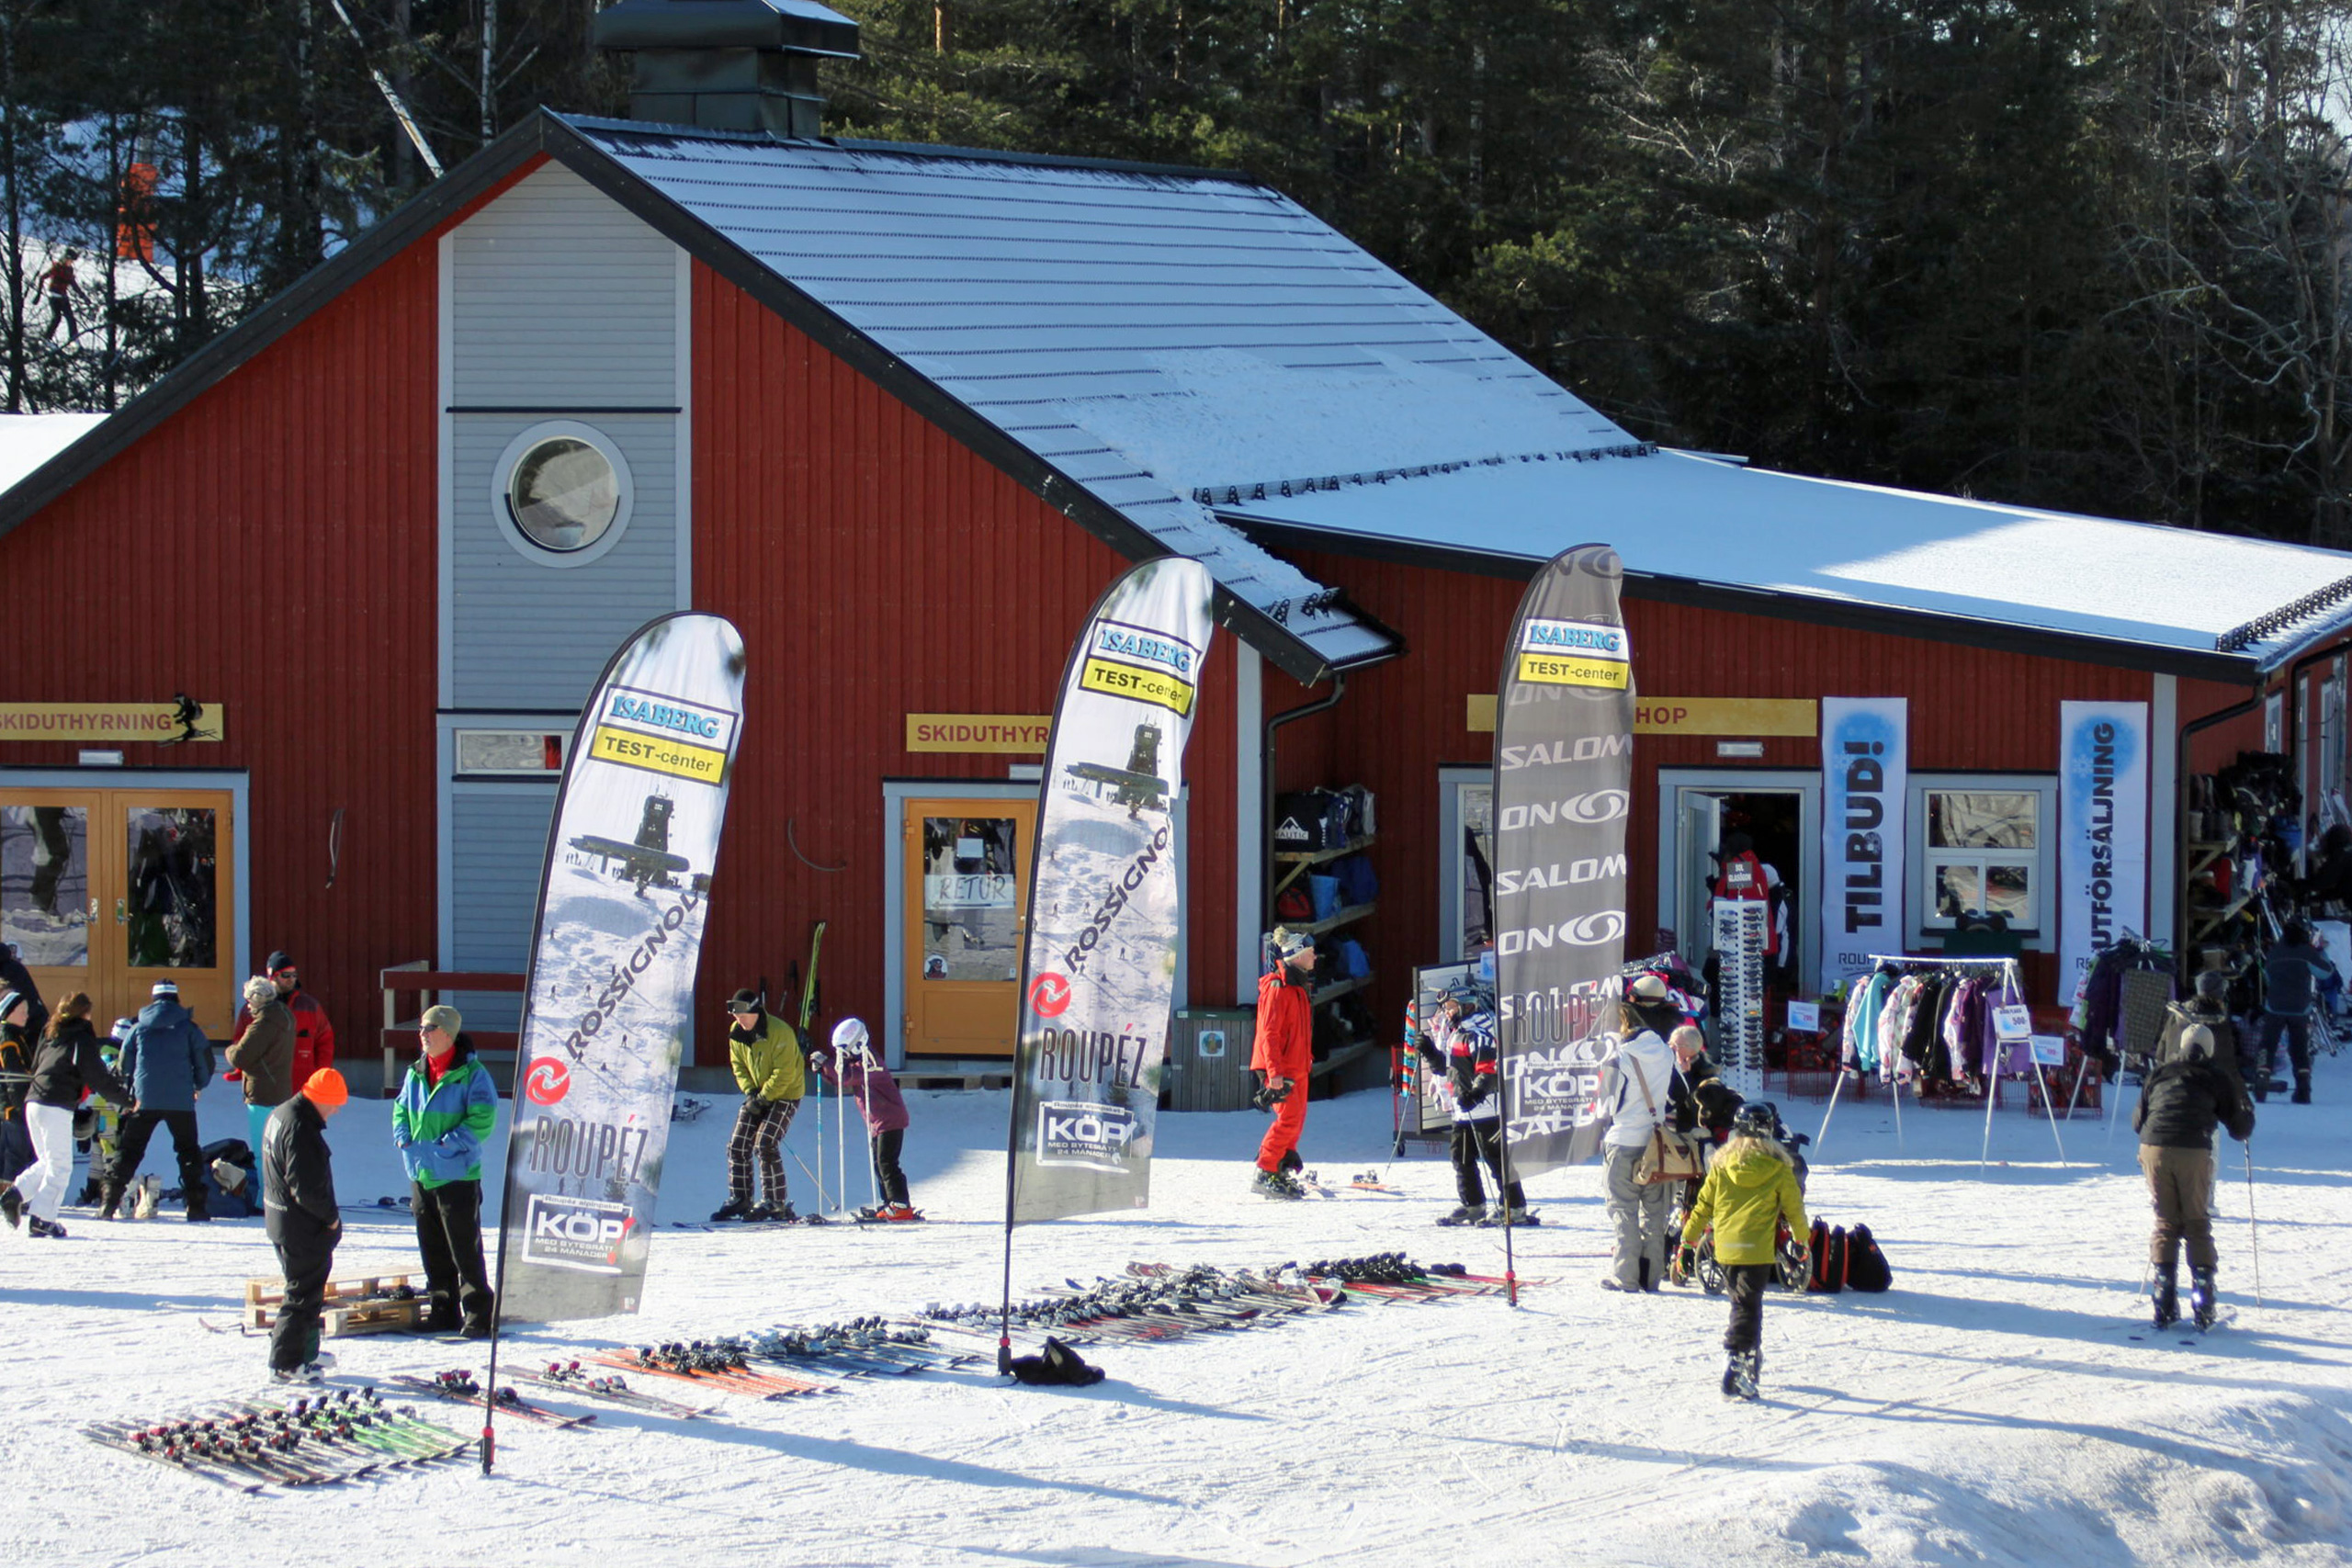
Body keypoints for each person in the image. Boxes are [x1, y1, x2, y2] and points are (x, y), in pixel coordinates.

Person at [1674, 1101, 1809, 1400]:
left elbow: (1702, 1208)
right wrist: (1801, 1241)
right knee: (1747, 1307)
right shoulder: (1779, 1168)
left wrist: (1687, 1242)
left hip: (1726, 1249)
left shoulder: (1721, 1165)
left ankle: (1750, 1359)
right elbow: (1794, 1210)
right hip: (1757, 1250)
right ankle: (1736, 1359)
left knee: (1742, 1303)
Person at [2134, 1022, 2256, 1330]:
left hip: (2154, 1147)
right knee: (2196, 1222)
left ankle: (2163, 1296)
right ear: (2210, 1049)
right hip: (2193, 1149)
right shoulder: (2216, 1076)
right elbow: (2238, 1128)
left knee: (2166, 1222)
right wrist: (2247, 1114)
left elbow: (2138, 1122)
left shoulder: (2160, 1072)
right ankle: (2203, 1298)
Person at [393, 1005, 500, 1335]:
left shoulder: (473, 1074)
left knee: (464, 1249)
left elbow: (483, 1119)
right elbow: (400, 1109)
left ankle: (478, 1314)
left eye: (430, 1028)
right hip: (421, 1173)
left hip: (457, 1175)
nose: (422, 1034)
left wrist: (447, 1145)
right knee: (432, 1248)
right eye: (421, 1028)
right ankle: (443, 1311)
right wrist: (402, 1136)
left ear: (448, 1034)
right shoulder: (415, 1071)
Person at [17, 992, 132, 1237]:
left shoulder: (51, 1033)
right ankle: (42, 1219)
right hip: (55, 1105)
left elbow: (36, 1066)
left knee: (47, 1161)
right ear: (85, 1013)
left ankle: (15, 1194)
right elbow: (99, 1078)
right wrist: (127, 1100)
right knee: (60, 1167)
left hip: (34, 1101)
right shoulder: (81, 1037)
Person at [1418, 978, 1526, 1225]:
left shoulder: (1480, 1033)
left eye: (1451, 1007)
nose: (1446, 1012)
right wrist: (1430, 1052)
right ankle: (1473, 1204)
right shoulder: (1458, 1032)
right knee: (1461, 1157)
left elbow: (1488, 1070)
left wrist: (1476, 1094)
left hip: (1486, 1107)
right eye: (1446, 1008)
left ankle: (1514, 1206)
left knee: (1496, 1158)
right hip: (1462, 1108)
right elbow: (1448, 1068)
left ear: (1467, 1005)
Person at [264, 1068, 347, 1382]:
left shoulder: (282, 1113)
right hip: (301, 1226)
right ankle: (286, 1364)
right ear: (322, 1099)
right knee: (302, 1295)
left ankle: (304, 1351)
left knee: (305, 1291)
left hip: (281, 1219)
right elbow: (307, 1189)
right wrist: (331, 1219)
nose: (335, 1111)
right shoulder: (301, 1129)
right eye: (334, 1104)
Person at [106, 978, 214, 1222]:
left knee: (130, 1150)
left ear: (153, 999)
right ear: (176, 998)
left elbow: (124, 1064)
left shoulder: (138, 1028)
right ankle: (196, 1207)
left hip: (144, 1099)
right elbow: (205, 1061)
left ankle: (109, 1203)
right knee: (188, 1151)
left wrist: (130, 1090)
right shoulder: (189, 1028)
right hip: (181, 1100)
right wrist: (197, 1085)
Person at [1598, 998, 1679, 1292]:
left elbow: (1611, 1102)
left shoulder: (1621, 1056)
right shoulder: (1665, 1052)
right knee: (1655, 1213)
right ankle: (1651, 1276)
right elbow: (1677, 1092)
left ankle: (1626, 1276)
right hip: (1656, 1142)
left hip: (1623, 1139)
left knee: (1623, 1210)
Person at [716, 987, 806, 1222]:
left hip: (786, 1094)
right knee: (737, 1144)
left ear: (756, 1012)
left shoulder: (780, 1032)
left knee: (765, 1142)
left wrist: (764, 1098)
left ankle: (775, 1202)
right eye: (736, 1016)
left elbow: (784, 1073)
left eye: (743, 1016)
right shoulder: (736, 1032)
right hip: (757, 1094)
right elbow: (738, 1065)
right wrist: (751, 1092)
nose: (739, 1020)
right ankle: (740, 1198)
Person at [812, 1019, 916, 1220]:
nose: (845, 1056)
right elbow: (841, 1078)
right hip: (878, 1122)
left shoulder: (871, 1061)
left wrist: (826, 1064)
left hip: (890, 1119)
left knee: (887, 1163)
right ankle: (889, 1203)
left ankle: (901, 1204)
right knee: (879, 1164)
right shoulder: (858, 1061)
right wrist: (824, 1071)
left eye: (846, 1051)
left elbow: (848, 1077)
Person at [1250, 927, 1317, 1200]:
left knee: (1296, 1119)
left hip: (1297, 1065)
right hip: (1282, 1068)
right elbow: (1269, 1034)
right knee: (1287, 1120)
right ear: (1297, 955)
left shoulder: (1297, 986)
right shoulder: (1278, 988)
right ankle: (1265, 1171)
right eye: (1311, 952)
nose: (1315, 957)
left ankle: (1279, 1165)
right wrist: (1274, 1072)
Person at [2254, 920, 2335, 1103]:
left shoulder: (2274, 952)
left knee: (2268, 1043)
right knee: (2299, 1046)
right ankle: (2303, 1087)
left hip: (2275, 1004)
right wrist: (2320, 952)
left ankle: (2262, 1077)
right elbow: (2326, 972)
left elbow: (2267, 976)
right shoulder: (2307, 951)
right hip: (2300, 1006)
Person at [231, 951, 336, 1088]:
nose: (291, 979)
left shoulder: (310, 1006)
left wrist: (321, 1074)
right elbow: (242, 1042)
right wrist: (240, 1069)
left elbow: (325, 1041)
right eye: (286, 975)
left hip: (301, 1085)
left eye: (294, 975)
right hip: (266, 1085)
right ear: (272, 976)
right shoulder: (253, 1008)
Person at [227, 975, 296, 1161]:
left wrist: (230, 1049)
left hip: (262, 1093)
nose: (248, 1006)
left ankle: (263, 1181)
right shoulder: (285, 1016)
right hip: (281, 1091)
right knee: (279, 1151)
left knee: (263, 1152)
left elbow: (239, 1057)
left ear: (257, 999)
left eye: (249, 1000)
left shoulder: (263, 1024)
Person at [0, 989, 34, 1195]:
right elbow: (13, 1076)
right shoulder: (8, 1038)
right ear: (10, 1012)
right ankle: (9, 1196)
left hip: (9, 1106)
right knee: (15, 1154)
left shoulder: (15, 1035)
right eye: (22, 1011)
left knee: (9, 1153)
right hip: (11, 1107)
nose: (26, 1015)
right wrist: (21, 1106)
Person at [41, 249, 78, 342]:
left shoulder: (70, 270)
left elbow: (73, 283)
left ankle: (73, 339)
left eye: (72, 261)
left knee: (71, 318)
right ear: (65, 258)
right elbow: (43, 277)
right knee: (57, 318)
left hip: (63, 296)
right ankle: (46, 338)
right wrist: (38, 294)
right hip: (54, 296)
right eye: (70, 260)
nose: (71, 263)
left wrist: (83, 296)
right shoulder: (56, 268)